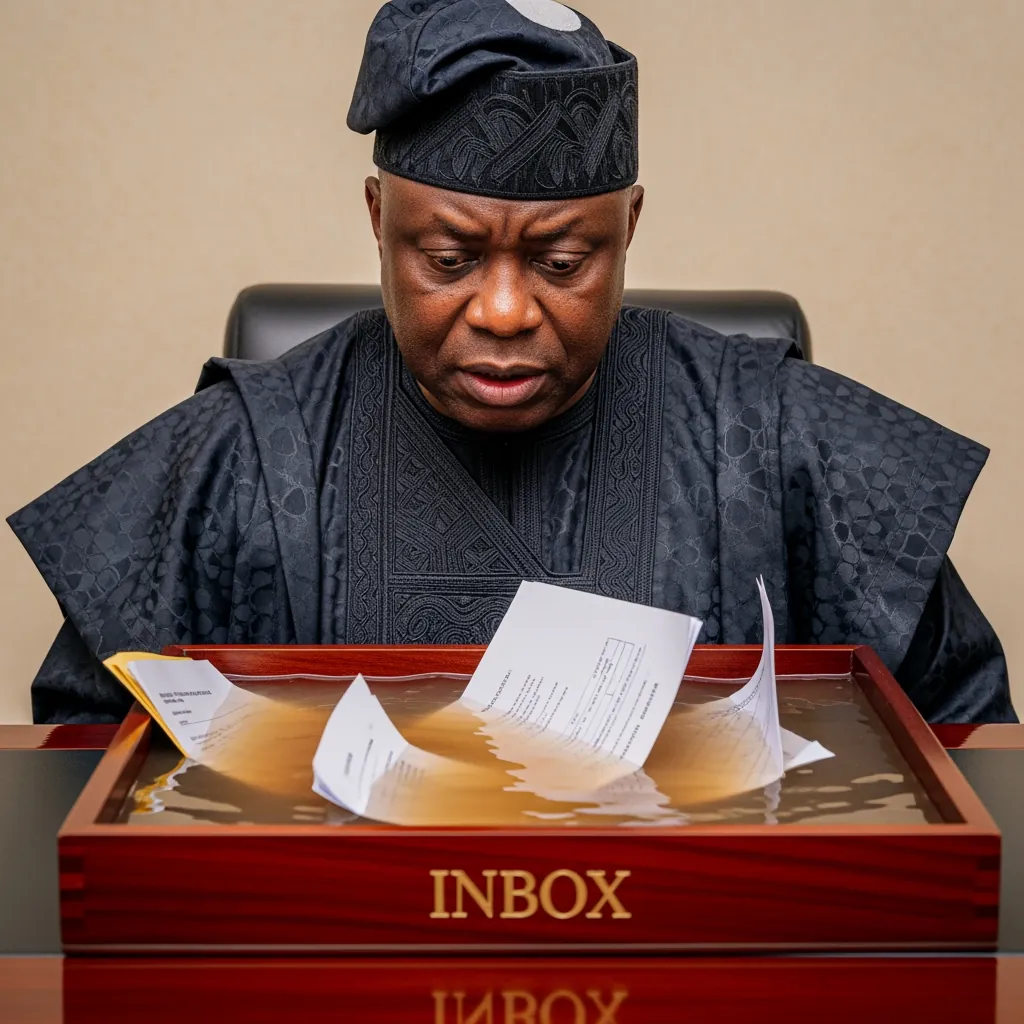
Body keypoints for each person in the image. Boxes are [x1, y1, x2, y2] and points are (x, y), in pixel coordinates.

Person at [7, 0, 1016, 725]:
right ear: (376, 221)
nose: (501, 309)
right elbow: (81, 769)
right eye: (448, 258)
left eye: (562, 260)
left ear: (629, 226)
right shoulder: (243, 459)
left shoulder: (777, 441)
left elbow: (967, 739)